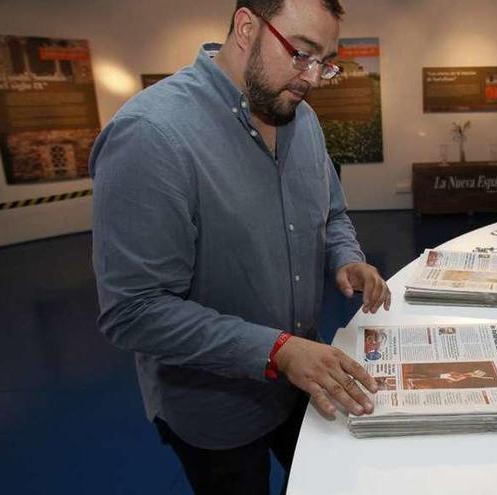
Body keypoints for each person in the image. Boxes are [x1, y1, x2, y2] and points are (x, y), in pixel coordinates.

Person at [89, 0, 391, 493]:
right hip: (217, 413)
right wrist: (278, 351)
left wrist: (347, 256)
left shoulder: (302, 117)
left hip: (301, 385)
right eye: (301, 53)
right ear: (247, 27)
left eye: (325, 62)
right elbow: (134, 311)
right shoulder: (151, 136)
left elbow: (331, 212)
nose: (312, 78)